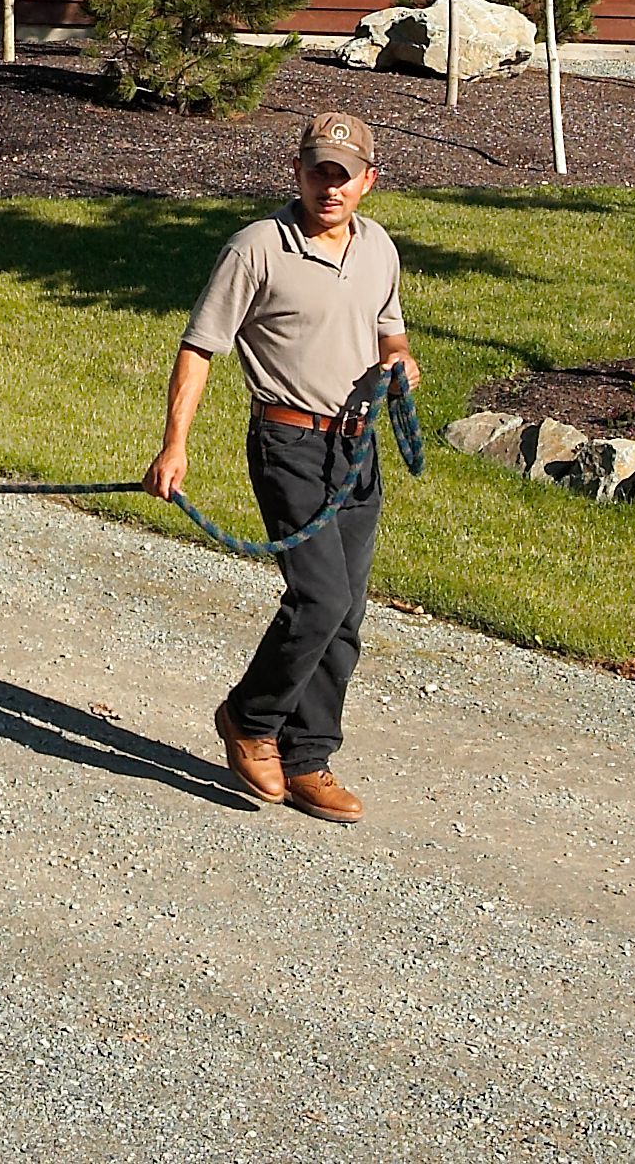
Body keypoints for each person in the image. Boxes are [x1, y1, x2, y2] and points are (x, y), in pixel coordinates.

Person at [146, 109, 415, 823]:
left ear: (368, 181)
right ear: (296, 172)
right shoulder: (256, 248)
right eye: (318, 172)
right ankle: (249, 719)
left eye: (344, 176)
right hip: (288, 444)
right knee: (320, 599)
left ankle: (309, 758)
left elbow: (390, 333)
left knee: (348, 613)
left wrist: (399, 365)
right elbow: (199, 348)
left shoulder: (380, 249)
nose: (330, 188)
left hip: (357, 448)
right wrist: (175, 444)